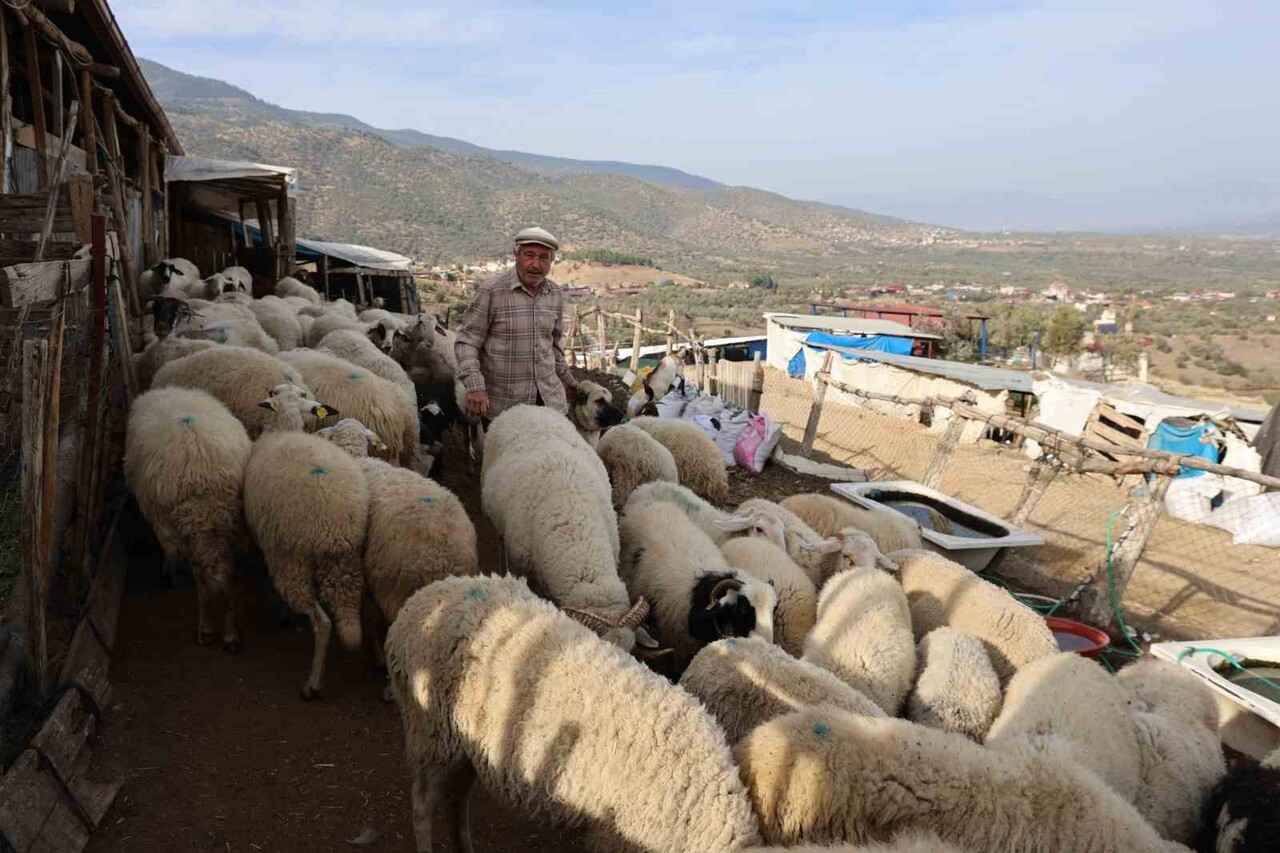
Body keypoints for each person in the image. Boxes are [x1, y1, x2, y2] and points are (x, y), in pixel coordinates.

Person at [455, 227, 576, 424]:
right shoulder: (491, 292)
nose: (535, 264)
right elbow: (467, 342)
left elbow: (554, 346)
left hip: (550, 402)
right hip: (504, 406)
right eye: (529, 255)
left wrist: (570, 382)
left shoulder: (554, 293)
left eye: (544, 258)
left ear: (551, 262)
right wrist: (475, 386)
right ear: (516, 255)